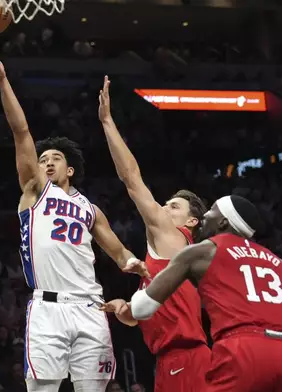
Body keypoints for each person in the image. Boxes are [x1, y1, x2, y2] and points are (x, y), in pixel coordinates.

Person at [0, 49, 147, 392]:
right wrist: (3, 80)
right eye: (43, 159)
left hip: (90, 307)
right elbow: (20, 130)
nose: (47, 162)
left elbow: (116, 250)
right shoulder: (34, 191)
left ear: (70, 169)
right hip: (48, 308)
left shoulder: (90, 208)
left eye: (55, 158)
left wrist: (131, 262)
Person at [116, 195, 282, 392]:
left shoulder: (202, 252)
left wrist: (141, 285)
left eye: (212, 212)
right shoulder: (279, 263)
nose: (206, 215)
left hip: (245, 350)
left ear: (223, 223)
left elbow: (141, 309)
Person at [97, 76, 210, 391]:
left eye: (174, 207)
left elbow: (131, 178)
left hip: (185, 358)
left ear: (191, 223)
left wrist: (107, 122)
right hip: (171, 360)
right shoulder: (165, 261)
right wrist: (123, 308)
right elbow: (137, 316)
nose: (163, 208)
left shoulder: (175, 240)